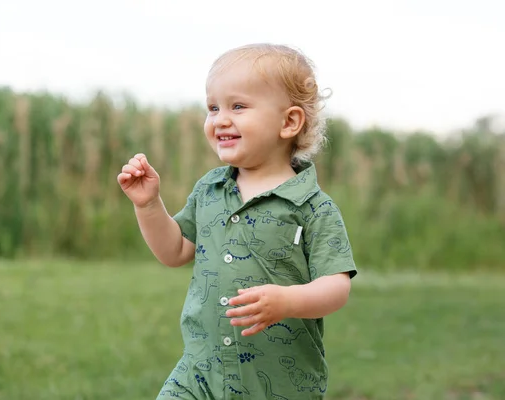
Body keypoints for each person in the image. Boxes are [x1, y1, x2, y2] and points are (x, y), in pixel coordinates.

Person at [118, 43, 357, 400]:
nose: (220, 119)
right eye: (212, 107)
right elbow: (175, 250)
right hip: (200, 372)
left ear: (289, 122)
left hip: (277, 383)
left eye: (238, 106)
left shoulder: (313, 208)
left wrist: (288, 301)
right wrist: (149, 205)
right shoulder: (210, 190)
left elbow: (337, 287)